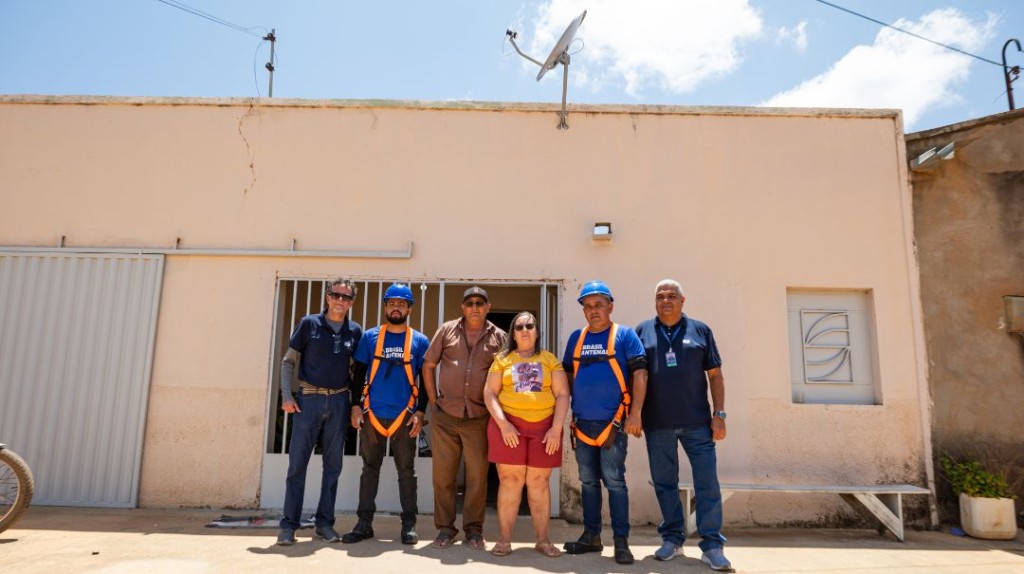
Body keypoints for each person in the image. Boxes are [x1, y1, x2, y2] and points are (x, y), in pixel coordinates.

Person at [635, 279, 732, 571]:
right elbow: (635, 376)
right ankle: (672, 539)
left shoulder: (700, 330)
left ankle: (712, 546)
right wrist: (634, 413)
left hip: (698, 423)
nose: (666, 300)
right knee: (665, 484)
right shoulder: (642, 331)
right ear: (655, 301)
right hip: (657, 423)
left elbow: (715, 375)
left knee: (707, 484)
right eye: (660, 296)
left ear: (682, 300)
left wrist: (719, 414)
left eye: (671, 296)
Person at [561, 281, 647, 565]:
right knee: (588, 481)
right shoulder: (576, 339)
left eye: (599, 304)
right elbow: (568, 376)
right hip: (583, 425)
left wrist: (635, 414)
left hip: (614, 425)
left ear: (610, 306)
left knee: (615, 482)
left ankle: (621, 541)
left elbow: (640, 375)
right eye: (588, 306)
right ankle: (591, 536)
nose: (593, 310)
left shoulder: (625, 336)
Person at [342, 283, 430, 545]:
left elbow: (426, 381)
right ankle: (364, 523)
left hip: (405, 416)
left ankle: (409, 525)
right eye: (392, 303)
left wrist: (421, 411)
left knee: (407, 471)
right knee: (369, 469)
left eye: (401, 304)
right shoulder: (370, 337)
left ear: (409, 309)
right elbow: (358, 374)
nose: (396, 308)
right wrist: (355, 406)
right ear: (385, 307)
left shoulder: (419, 341)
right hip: (373, 415)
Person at [276, 278, 363, 546]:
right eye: (336, 295)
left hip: (339, 401)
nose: (340, 301)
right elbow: (288, 361)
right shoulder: (309, 324)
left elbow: (358, 371)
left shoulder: (354, 331)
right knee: (297, 465)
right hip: (308, 400)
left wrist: (355, 405)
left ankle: (325, 524)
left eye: (346, 297)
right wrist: (287, 396)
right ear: (328, 297)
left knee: (333, 466)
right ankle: (288, 526)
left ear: (352, 302)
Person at [422, 286, 507, 550]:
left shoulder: (500, 337)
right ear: (463, 307)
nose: (474, 307)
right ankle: (445, 529)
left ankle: (473, 530)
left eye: (480, 303)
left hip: (480, 417)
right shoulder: (447, 330)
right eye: (469, 303)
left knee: (477, 477)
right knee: (443, 477)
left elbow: (507, 374)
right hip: (446, 415)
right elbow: (428, 364)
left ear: (488, 307)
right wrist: (433, 402)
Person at [483, 311, 570, 558]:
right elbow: (489, 393)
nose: (524, 330)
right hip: (508, 426)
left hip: (544, 428)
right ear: (513, 333)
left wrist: (556, 428)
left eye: (529, 326)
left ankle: (543, 540)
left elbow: (563, 394)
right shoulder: (502, 360)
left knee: (539, 483)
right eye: (519, 327)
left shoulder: (549, 360)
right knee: (510, 481)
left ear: (537, 332)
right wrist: (503, 425)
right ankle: (504, 540)